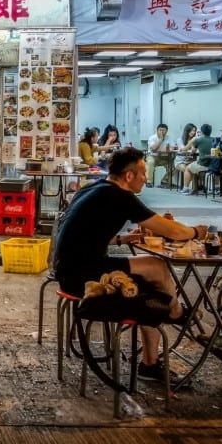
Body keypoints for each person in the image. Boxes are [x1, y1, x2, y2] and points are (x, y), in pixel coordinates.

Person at [54, 147, 209, 382]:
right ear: (129, 176)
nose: (146, 178)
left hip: (67, 270)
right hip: (84, 277)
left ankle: (152, 358)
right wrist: (197, 232)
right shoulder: (120, 196)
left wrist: (123, 239)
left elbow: (85, 234)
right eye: (143, 173)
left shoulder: (93, 188)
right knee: (156, 269)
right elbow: (173, 231)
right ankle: (176, 314)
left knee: (151, 281)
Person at [181, 123, 218, 195]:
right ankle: (216, 188)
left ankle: (186, 189)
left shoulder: (198, 140)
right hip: (213, 165)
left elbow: (193, 151)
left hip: (203, 164)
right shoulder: (215, 139)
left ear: (202, 132)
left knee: (188, 168)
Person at [172, 122, 198, 187]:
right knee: (188, 169)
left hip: (190, 161)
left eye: (194, 131)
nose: (193, 132)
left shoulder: (195, 140)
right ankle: (187, 187)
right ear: (187, 131)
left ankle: (195, 188)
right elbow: (183, 149)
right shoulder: (179, 140)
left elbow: (195, 151)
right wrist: (191, 142)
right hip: (180, 162)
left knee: (196, 170)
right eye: (191, 130)